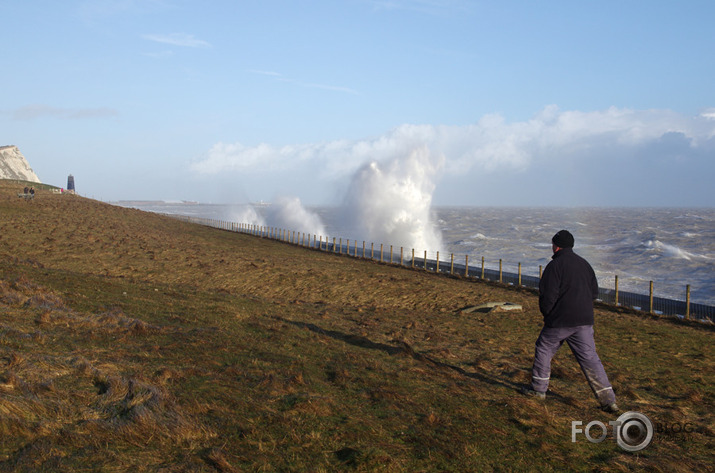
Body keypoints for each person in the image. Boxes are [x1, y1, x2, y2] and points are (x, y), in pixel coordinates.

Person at [521, 229, 619, 413]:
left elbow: (547, 295)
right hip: (584, 320)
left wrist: (548, 315)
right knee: (590, 359)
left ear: (556, 246)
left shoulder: (555, 266)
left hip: (560, 320)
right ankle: (609, 401)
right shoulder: (584, 264)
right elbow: (594, 292)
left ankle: (538, 390)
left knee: (544, 348)